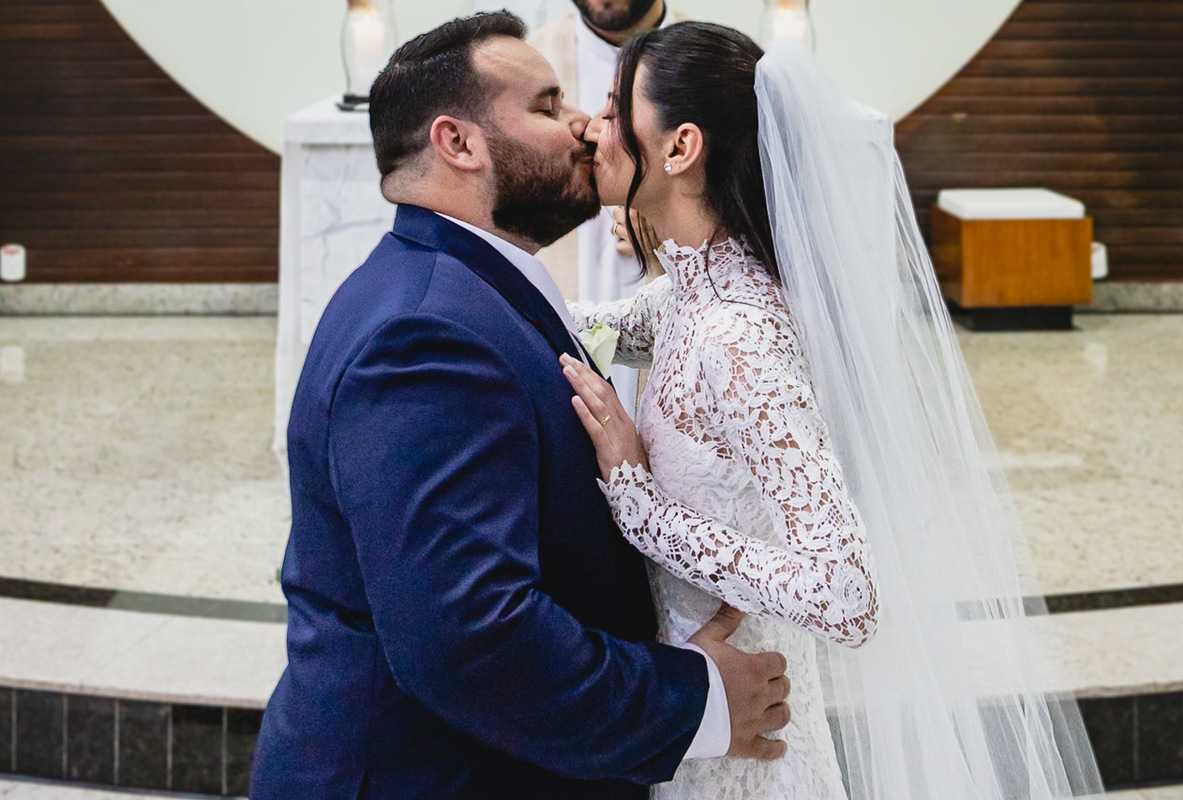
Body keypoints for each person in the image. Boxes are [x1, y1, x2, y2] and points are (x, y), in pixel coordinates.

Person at [249, 12, 793, 800]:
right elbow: (474, 640)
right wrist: (699, 701)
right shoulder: (424, 336)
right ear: (458, 143)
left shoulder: (459, 290)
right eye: (546, 106)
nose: (583, 125)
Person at [563, 21, 1103, 800]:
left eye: (616, 110)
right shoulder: (693, 285)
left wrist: (643, 508)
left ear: (681, 148)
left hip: (750, 753)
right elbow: (598, 326)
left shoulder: (741, 340)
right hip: (695, 717)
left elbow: (846, 595)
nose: (594, 126)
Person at [529, 0, 683, 415]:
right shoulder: (532, 60)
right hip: (583, 293)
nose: (592, 128)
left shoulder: (706, 60)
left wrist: (662, 207)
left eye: (612, 112)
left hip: (676, 305)